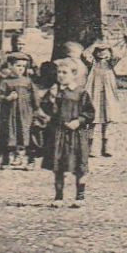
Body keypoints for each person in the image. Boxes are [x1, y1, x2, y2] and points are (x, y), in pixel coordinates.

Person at [40, 56, 96, 207]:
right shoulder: (54, 92)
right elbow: (47, 110)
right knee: (58, 165)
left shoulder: (80, 93)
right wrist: (50, 100)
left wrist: (78, 121)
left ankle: (80, 196)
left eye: (65, 72)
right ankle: (59, 197)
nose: (61, 76)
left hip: (76, 134)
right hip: (59, 134)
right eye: (59, 72)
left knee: (79, 165)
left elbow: (90, 113)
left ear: (74, 74)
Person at [0, 52, 37, 168]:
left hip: (24, 112)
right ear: (10, 66)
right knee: (10, 132)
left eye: (23, 66)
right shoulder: (5, 81)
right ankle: (7, 157)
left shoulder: (27, 81)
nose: (21, 69)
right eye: (18, 66)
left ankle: (20, 156)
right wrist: (7, 98)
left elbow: (34, 96)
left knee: (23, 132)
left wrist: (35, 109)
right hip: (9, 113)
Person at [84, 42, 122, 157]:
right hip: (94, 94)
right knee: (92, 121)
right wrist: (93, 45)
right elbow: (84, 55)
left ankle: (106, 148)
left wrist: (110, 46)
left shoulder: (110, 64)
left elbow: (118, 55)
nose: (102, 54)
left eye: (104, 51)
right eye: (99, 51)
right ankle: (90, 149)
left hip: (107, 95)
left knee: (107, 120)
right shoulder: (92, 64)